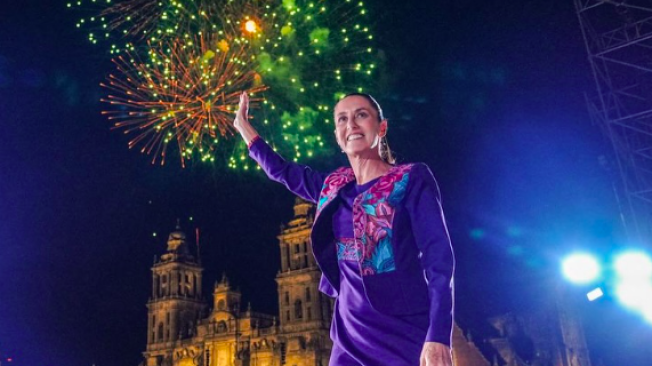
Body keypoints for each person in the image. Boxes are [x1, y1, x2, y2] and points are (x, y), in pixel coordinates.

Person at [234, 92, 455, 366]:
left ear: (381, 127)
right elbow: (282, 171)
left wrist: (438, 335)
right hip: (348, 337)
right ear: (338, 136)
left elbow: (439, 260)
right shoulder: (333, 186)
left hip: (402, 333)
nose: (351, 124)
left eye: (361, 115)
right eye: (342, 119)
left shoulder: (410, 178)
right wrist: (243, 127)